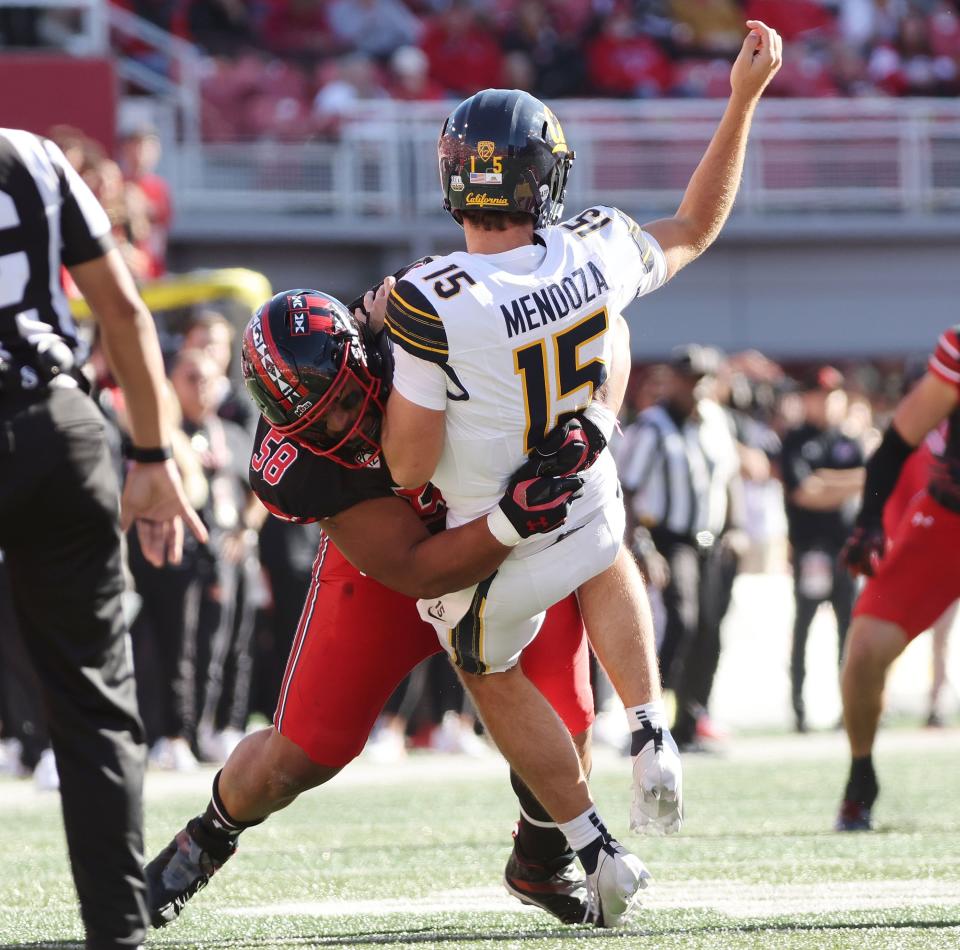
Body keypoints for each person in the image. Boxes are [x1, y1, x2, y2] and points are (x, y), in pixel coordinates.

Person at [379, 20, 781, 907]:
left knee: (486, 668)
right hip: (587, 510)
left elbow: (408, 468)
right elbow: (693, 226)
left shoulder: (429, 299)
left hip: (492, 546)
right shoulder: (594, 247)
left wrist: (384, 347)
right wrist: (742, 100)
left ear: (455, 179)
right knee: (604, 551)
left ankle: (593, 848)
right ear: (544, 176)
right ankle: (648, 725)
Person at [145, 288, 617, 930]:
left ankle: (539, 858)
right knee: (302, 754)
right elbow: (416, 569)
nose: (342, 429)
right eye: (316, 426)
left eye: (342, 400)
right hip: (396, 563)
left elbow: (596, 324)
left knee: (571, 721)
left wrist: (585, 433)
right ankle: (202, 842)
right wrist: (511, 518)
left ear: (366, 353)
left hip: (509, 545)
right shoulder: (304, 469)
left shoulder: (424, 328)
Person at [0, 127, 205, 950]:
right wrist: (153, 453)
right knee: (93, 704)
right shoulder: (35, 158)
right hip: (56, 424)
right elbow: (121, 307)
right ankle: (118, 933)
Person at [837, 325, 960, 830]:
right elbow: (894, 445)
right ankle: (861, 774)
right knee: (865, 650)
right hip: (950, 518)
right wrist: (868, 522)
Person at [616, 345, 744, 750]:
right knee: (683, 621)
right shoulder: (651, 428)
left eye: (704, 378)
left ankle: (693, 718)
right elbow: (629, 492)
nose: (697, 387)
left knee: (710, 628)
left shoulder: (717, 422)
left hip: (713, 541)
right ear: (670, 381)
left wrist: (737, 527)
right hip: (670, 538)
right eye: (689, 379)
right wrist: (643, 547)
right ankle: (652, 715)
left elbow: (731, 478)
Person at [780, 366, 865, 733]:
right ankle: (799, 709)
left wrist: (829, 482)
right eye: (820, 394)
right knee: (805, 626)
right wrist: (854, 480)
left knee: (849, 629)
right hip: (810, 548)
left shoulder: (848, 440)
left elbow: (868, 486)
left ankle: (850, 708)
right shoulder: (796, 440)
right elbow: (806, 492)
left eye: (833, 395)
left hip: (846, 548)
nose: (827, 402)